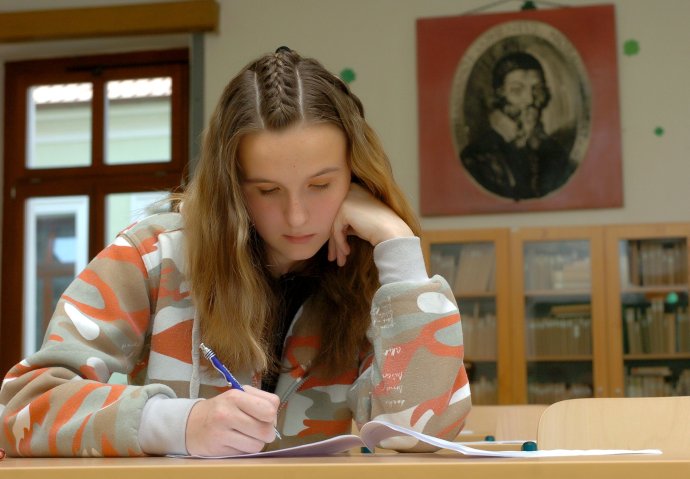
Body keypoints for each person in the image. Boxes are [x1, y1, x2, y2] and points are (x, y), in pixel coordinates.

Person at [0, 47, 470, 457]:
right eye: (267, 190)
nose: (298, 217)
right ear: (231, 188)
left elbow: (418, 437)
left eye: (321, 185)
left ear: (356, 176)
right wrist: (180, 425)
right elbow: (22, 408)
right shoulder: (153, 256)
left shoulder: (373, 275)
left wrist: (398, 245)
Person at [460, 51, 575, 201]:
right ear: (500, 96)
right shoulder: (476, 156)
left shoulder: (555, 152)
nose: (529, 99)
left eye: (537, 89)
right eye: (517, 90)